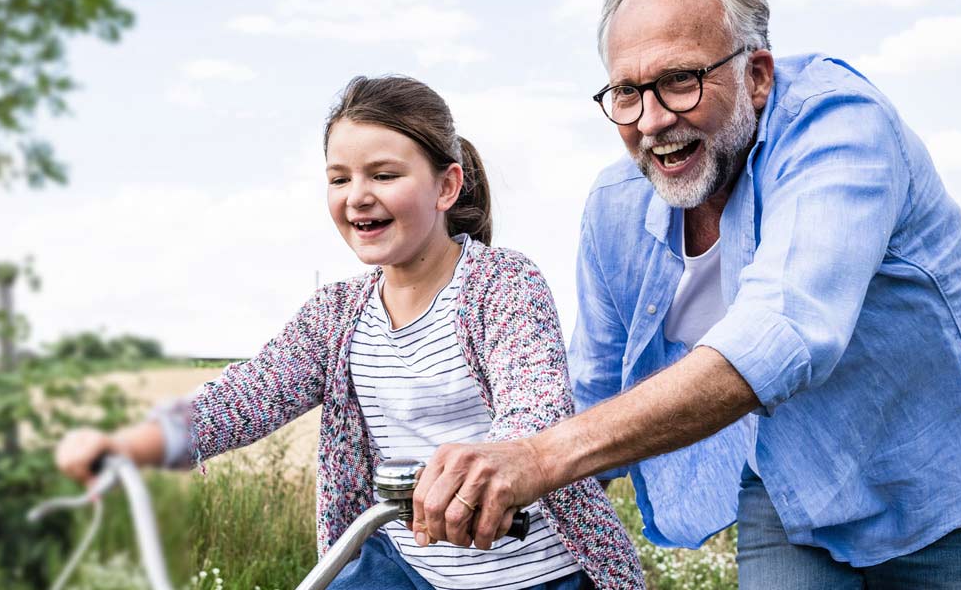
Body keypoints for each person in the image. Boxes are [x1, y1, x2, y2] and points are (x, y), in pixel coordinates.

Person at [409, 0, 961, 587]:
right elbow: (593, 386)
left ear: (757, 75)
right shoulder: (615, 207)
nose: (653, 120)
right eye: (627, 92)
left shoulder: (841, 129)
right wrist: (486, 484)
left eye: (680, 82)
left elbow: (785, 329)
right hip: (794, 487)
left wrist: (542, 459)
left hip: (944, 486)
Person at [53, 75, 643, 590]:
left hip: (535, 571)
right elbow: (246, 394)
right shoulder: (337, 314)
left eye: (384, 174)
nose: (357, 196)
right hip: (408, 569)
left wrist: (495, 469)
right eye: (339, 179)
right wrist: (135, 444)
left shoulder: (501, 283)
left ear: (446, 186)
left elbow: (534, 401)